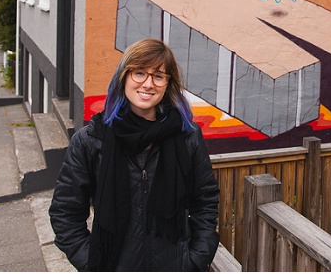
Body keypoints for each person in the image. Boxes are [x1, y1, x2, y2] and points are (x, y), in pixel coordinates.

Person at [50, 37, 218, 271]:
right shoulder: (91, 141)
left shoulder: (186, 136)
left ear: (168, 84)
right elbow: (65, 213)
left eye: (158, 76)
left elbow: (205, 201)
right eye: (139, 73)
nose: (148, 84)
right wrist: (93, 264)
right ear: (124, 77)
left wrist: (194, 260)